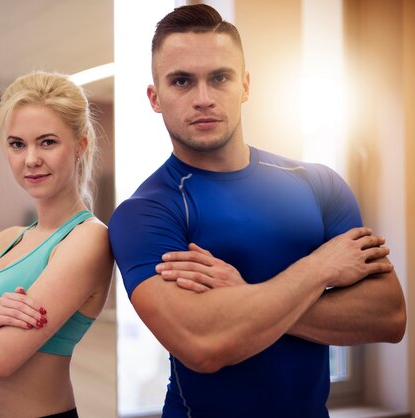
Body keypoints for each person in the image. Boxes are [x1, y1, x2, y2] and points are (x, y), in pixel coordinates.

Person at [108, 4, 407, 418]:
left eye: (220, 78)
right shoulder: (144, 214)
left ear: (245, 85)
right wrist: (319, 268)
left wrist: (243, 300)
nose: (204, 99)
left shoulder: (318, 183)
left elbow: (388, 317)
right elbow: (204, 344)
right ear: (155, 97)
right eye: (182, 81)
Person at [0, 71, 113, 418]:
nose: (30, 159)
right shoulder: (5, 241)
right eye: (17, 144)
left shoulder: (88, 238)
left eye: (47, 142)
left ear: (81, 145)